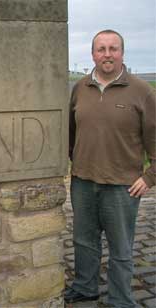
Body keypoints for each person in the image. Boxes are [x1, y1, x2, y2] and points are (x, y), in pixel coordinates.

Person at [66, 29, 156, 307]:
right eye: (101, 49)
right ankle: (85, 287)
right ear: (92, 54)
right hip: (83, 182)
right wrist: (75, 163)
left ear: (122, 53)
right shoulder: (80, 88)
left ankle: (120, 300)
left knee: (121, 249)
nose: (107, 54)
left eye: (113, 48)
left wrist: (150, 177)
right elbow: (71, 133)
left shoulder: (143, 92)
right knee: (83, 241)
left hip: (122, 186)